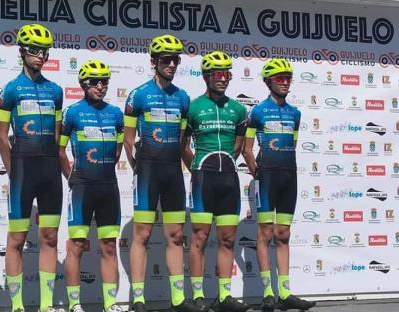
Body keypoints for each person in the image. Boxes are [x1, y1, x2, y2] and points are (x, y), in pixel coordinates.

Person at [124, 35, 194, 312]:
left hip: (173, 173)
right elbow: (128, 139)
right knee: (141, 234)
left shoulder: (183, 97)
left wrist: (194, 170)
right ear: (153, 61)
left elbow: (182, 142)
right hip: (148, 172)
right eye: (166, 59)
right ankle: (138, 299)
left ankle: (178, 298)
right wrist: (136, 168)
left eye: (176, 59)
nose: (172, 64)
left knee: (175, 236)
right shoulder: (138, 95)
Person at [0, 23, 64, 312]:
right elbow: (2, 136)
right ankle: (17, 306)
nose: (40, 56)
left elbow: (58, 136)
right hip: (22, 170)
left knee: (49, 237)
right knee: (17, 238)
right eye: (35, 51)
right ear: (22, 52)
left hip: (49, 171)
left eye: (44, 52)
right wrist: (13, 173)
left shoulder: (55, 90)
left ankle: (47, 304)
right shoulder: (10, 90)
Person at [242, 58, 315, 312]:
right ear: (268, 82)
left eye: (288, 79)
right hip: (267, 178)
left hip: (288, 176)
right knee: (265, 233)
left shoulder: (295, 113)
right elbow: (247, 148)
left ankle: (284, 292)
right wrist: (256, 172)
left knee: (283, 234)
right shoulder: (258, 112)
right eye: (279, 79)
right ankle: (268, 293)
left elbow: (292, 145)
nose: (285, 83)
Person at [183, 51, 249, 312]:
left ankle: (224, 296)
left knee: (228, 239)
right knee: (199, 237)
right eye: (218, 74)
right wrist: (197, 169)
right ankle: (198, 296)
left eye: (227, 74)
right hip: (203, 178)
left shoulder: (238, 109)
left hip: (229, 179)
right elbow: (183, 145)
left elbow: (239, 145)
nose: (223, 79)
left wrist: (226, 164)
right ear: (206, 77)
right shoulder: (193, 107)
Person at [59, 60, 124, 312]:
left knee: (108, 245)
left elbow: (118, 149)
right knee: (76, 245)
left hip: (108, 186)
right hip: (82, 187)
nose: (100, 86)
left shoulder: (116, 114)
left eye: (104, 81)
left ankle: (110, 303)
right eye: (95, 82)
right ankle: (75, 303)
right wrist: (72, 178)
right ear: (83, 84)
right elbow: (60, 150)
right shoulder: (72, 113)